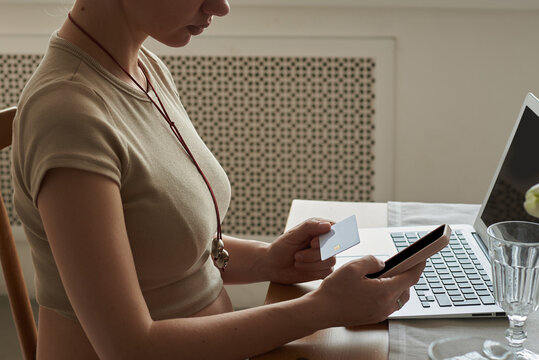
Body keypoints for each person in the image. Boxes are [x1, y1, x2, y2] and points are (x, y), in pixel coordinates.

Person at [11, 0, 425, 359]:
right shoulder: (68, 117)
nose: (220, 7)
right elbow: (131, 348)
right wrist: (324, 308)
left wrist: (267, 260)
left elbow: (158, 250)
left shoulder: (142, 67)